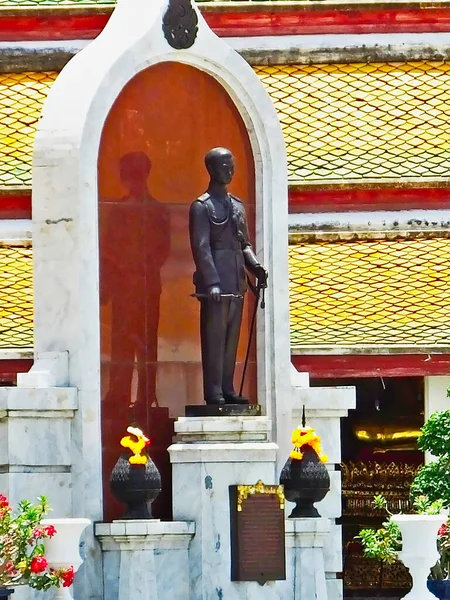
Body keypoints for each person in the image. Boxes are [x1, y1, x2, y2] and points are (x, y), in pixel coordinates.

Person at [189, 147, 267, 405]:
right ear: (211, 169)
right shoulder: (201, 207)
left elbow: (243, 243)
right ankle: (214, 391)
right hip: (216, 282)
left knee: (232, 337)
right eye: (225, 166)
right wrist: (211, 281)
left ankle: (227, 387)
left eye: (232, 166)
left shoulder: (237, 206)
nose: (230, 171)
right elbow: (201, 247)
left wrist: (256, 267)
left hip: (236, 279)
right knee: (214, 338)